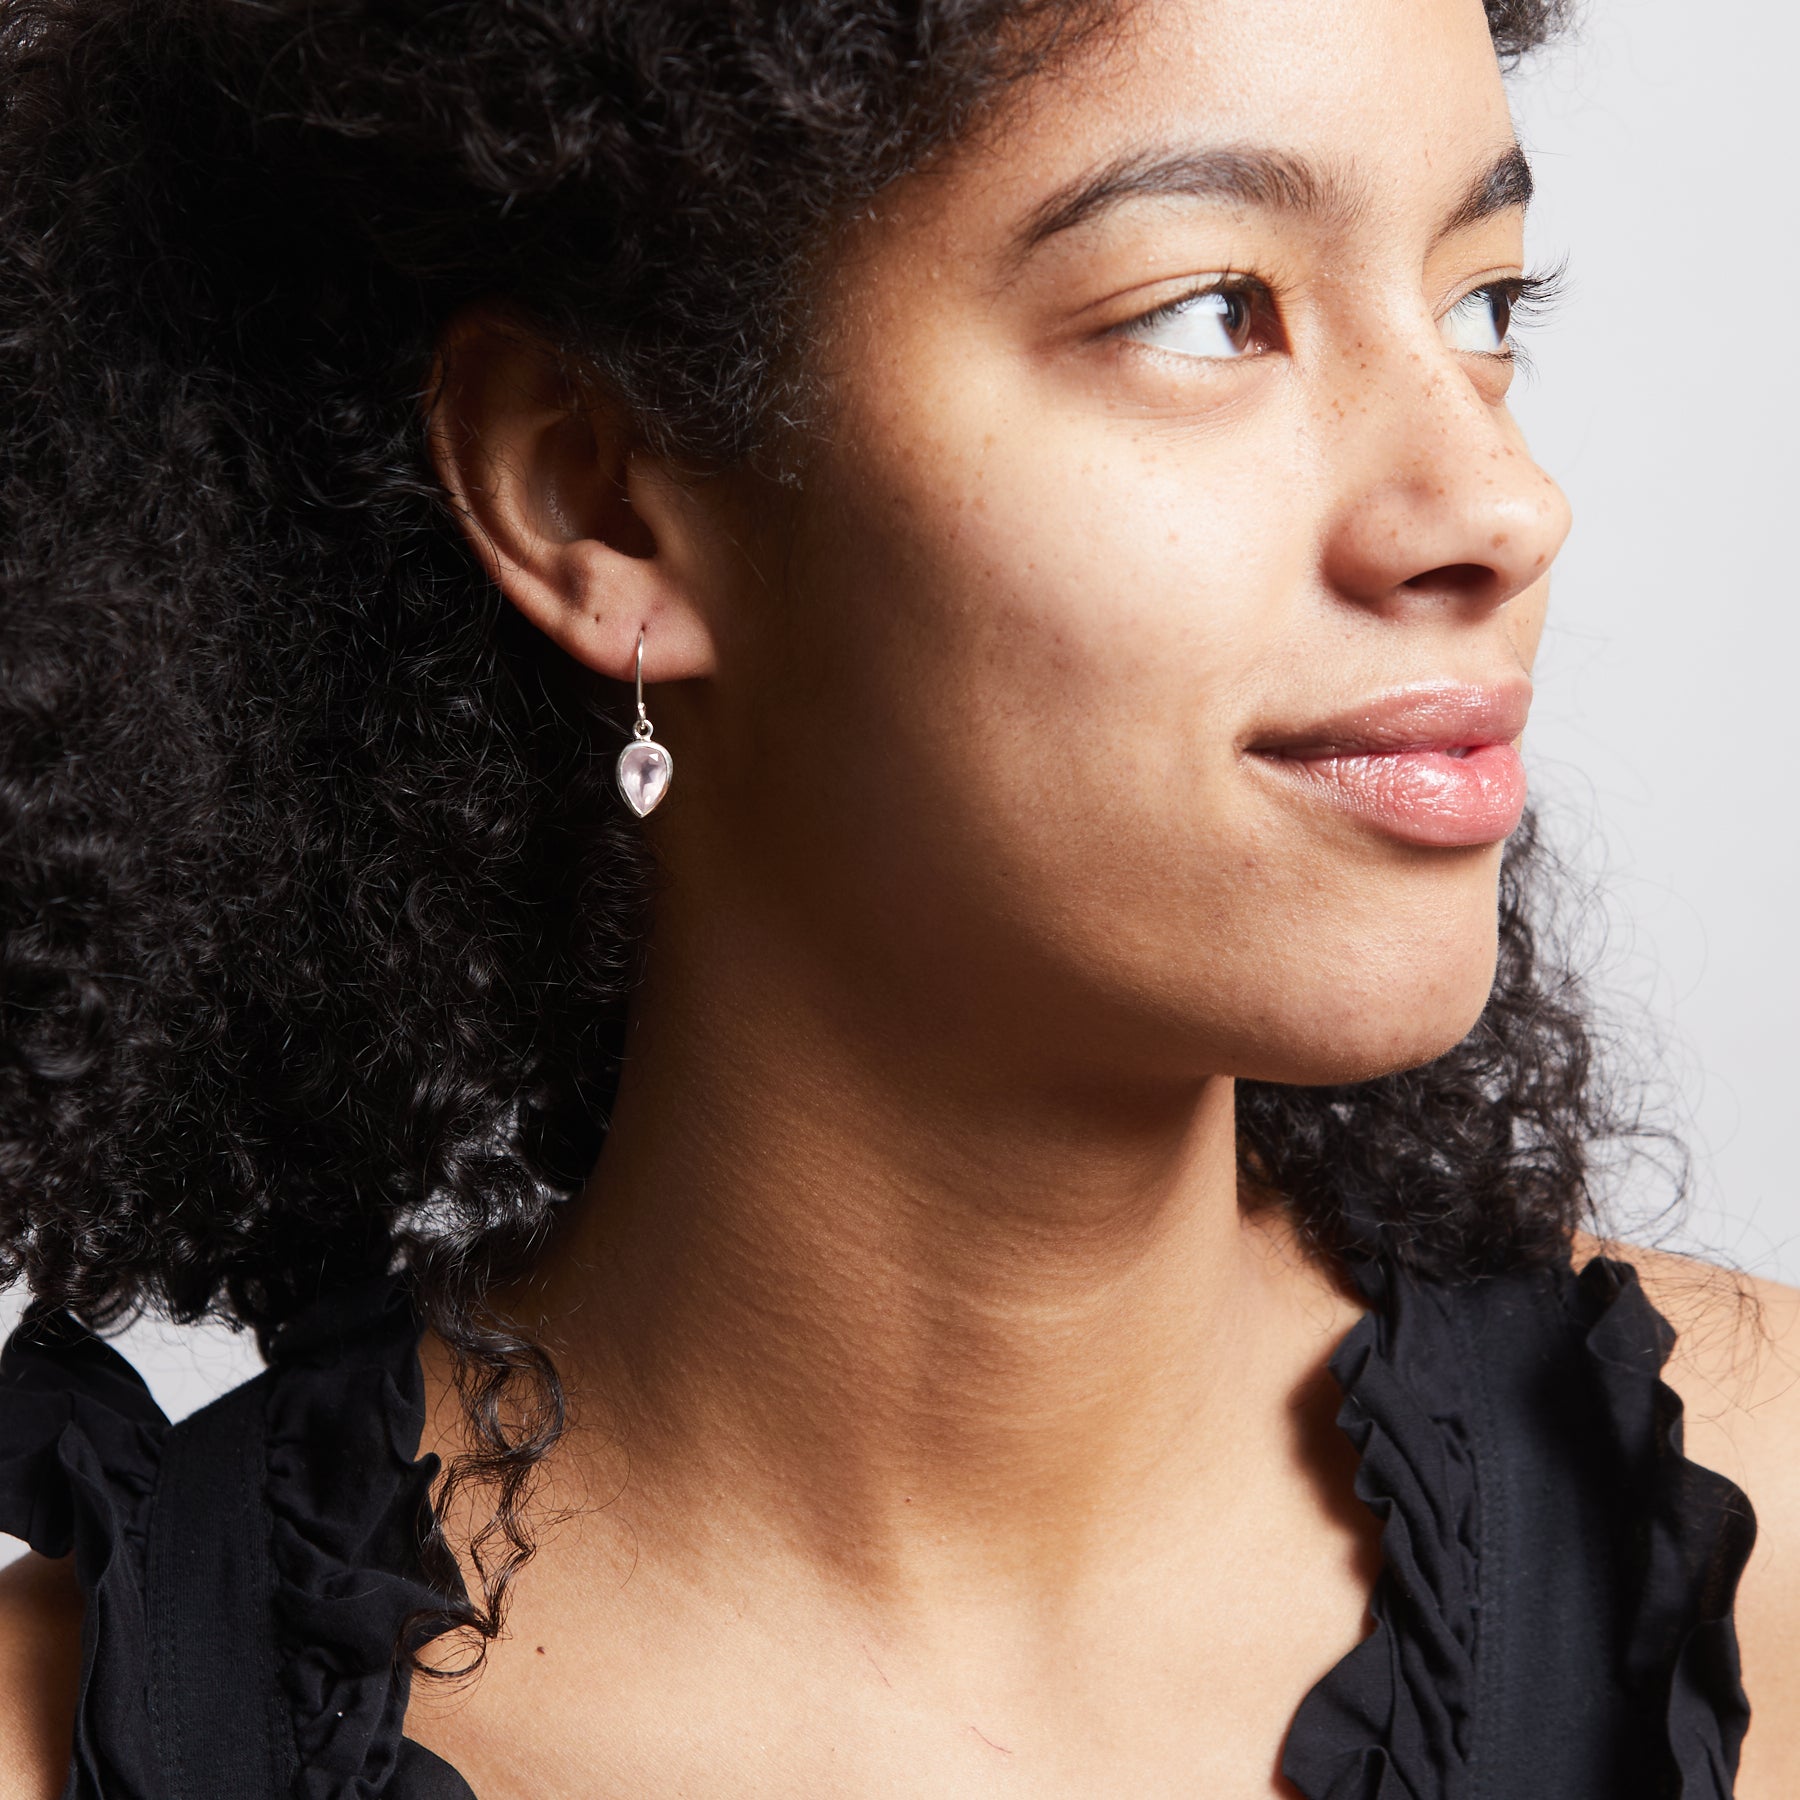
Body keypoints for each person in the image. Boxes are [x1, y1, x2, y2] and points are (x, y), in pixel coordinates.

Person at [0, 0, 1795, 1794]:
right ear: (596, 495)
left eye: (1484, 304)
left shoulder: (1751, 1550)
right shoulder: (75, 1741)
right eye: (1204, 310)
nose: (1500, 501)